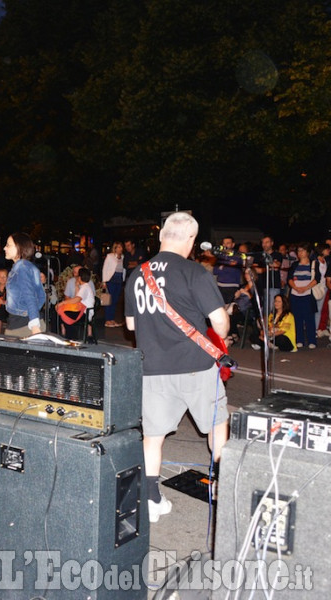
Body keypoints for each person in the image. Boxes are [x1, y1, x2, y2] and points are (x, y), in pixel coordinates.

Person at [124, 212, 229, 523]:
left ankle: (152, 499)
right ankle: (220, 484)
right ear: (191, 241)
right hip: (196, 366)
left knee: (153, 436)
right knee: (217, 425)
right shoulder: (194, 272)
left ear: (161, 237)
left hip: (154, 368)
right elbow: (220, 323)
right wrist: (218, 336)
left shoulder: (137, 275)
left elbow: (131, 324)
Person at [3, 232, 46, 337]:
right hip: (22, 321)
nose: (4, 248)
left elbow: (29, 296)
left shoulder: (21, 268)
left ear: (19, 247)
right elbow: (41, 295)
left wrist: (35, 326)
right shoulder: (26, 266)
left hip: (22, 325)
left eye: (8, 245)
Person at [287, 242, 319, 349]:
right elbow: (289, 278)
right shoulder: (295, 264)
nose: (300, 253)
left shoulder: (313, 264)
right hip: (295, 294)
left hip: (308, 294)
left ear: (308, 252)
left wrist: (305, 288)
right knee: (297, 318)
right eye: (299, 251)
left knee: (309, 317)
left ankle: (312, 340)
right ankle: (299, 339)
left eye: (302, 250)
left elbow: (316, 279)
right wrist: (295, 287)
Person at [59, 267, 95, 340]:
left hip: (85, 313)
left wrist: (63, 302)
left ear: (80, 277)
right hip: (81, 311)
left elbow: (77, 299)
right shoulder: (84, 287)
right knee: (64, 313)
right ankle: (70, 337)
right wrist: (76, 286)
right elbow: (77, 296)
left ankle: (72, 338)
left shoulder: (85, 287)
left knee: (67, 315)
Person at [101, 241, 125, 327]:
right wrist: (104, 281)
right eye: (118, 247)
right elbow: (105, 268)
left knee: (115, 301)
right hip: (111, 279)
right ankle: (107, 320)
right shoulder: (110, 256)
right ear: (115, 248)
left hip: (119, 280)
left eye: (121, 247)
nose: (120, 249)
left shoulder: (122, 257)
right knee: (108, 300)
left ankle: (112, 319)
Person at [213, 236, 242, 305]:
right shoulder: (220, 256)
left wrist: (222, 266)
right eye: (224, 243)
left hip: (231, 287)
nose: (225, 245)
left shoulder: (238, 256)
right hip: (219, 286)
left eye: (228, 243)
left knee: (230, 310)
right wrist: (228, 264)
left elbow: (232, 269)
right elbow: (215, 271)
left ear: (233, 244)